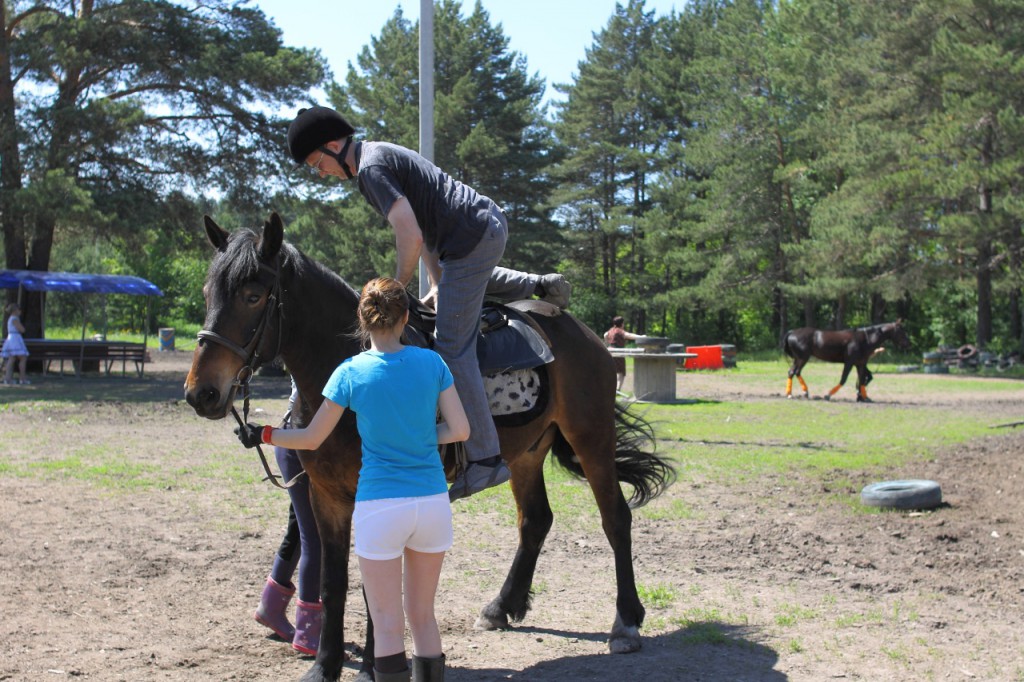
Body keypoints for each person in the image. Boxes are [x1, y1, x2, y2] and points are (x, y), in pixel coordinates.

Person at [286, 105, 570, 501]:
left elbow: (410, 232)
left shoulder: (369, 170)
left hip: (469, 239)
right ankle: (536, 284)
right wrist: (435, 285)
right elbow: (426, 232)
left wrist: (396, 289)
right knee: (449, 297)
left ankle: (486, 460)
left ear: (334, 146)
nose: (319, 172)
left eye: (317, 162)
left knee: (453, 351)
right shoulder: (375, 156)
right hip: (466, 238)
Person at [236, 277, 470, 682]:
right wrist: (416, 436)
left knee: (386, 620)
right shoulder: (433, 364)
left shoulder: (350, 372)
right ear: (407, 318)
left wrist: (264, 433)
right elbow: (461, 429)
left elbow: (310, 438)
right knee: (424, 617)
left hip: (381, 508)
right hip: (432, 504)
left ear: (362, 321)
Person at [253, 377, 323, 656]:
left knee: (300, 529)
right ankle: (308, 633)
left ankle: (271, 607)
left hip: (294, 442)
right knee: (314, 537)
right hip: (300, 447)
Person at [604, 315, 639, 394]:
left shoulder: (611, 330)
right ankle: (617, 390)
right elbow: (629, 335)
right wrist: (641, 337)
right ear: (622, 323)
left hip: (610, 352)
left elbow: (605, 335)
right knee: (621, 373)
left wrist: (606, 344)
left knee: (612, 371)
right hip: (618, 353)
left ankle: (611, 388)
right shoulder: (620, 331)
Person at [2, 303, 30, 385]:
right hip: (15, 339)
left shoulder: (11, 319)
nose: (20, 311)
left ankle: (8, 378)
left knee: (12, 359)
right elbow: (22, 329)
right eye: (19, 310)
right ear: (15, 311)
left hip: (11, 338)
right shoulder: (14, 319)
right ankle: (22, 378)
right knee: (22, 358)